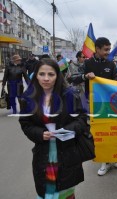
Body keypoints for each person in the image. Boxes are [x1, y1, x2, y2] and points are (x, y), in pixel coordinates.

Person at [19, 58, 86, 198]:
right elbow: (26, 123)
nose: (46, 78)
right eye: (42, 74)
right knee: (47, 191)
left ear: (57, 75)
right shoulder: (28, 98)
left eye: (51, 74)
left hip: (67, 151)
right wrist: (40, 134)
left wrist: (68, 130)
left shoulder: (70, 95)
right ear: (36, 75)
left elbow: (82, 119)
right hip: (43, 153)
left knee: (66, 191)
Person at [81, 37, 117, 176]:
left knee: (112, 132)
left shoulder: (111, 64)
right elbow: (71, 78)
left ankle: (114, 156)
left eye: (109, 49)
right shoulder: (86, 64)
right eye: (105, 49)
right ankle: (104, 162)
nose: (108, 52)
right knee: (100, 134)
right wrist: (85, 77)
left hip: (110, 105)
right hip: (93, 105)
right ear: (97, 49)